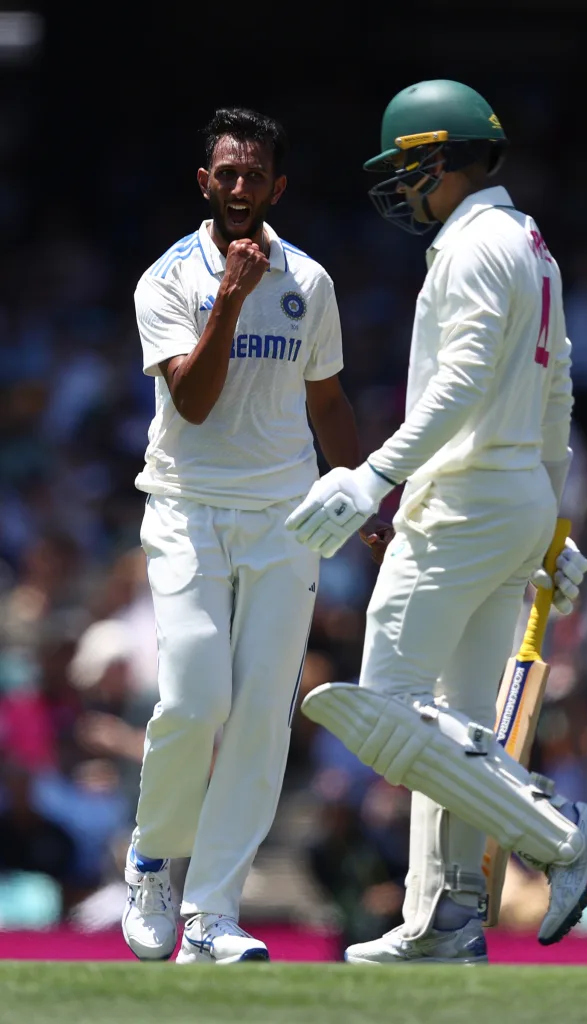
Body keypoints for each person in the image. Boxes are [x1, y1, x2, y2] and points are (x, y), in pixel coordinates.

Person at [286, 79, 587, 965]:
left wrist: (373, 476)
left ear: (438, 157)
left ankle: (560, 835)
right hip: (513, 500)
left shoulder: (473, 244)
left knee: (387, 708)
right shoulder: (532, 248)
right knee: (452, 724)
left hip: (461, 501)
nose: (399, 183)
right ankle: (445, 915)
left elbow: (461, 381)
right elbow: (557, 395)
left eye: (405, 165)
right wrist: (553, 526)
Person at [121, 106, 389, 965]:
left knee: (262, 720)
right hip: (187, 511)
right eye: (224, 174)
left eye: (254, 176)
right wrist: (230, 295)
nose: (239, 189)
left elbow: (327, 402)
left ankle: (212, 913)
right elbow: (193, 401)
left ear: (277, 187)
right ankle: (154, 860)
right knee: (196, 702)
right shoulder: (165, 280)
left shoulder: (309, 281)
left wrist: (363, 498)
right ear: (205, 184)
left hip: (285, 518)